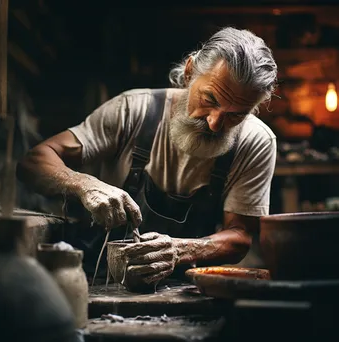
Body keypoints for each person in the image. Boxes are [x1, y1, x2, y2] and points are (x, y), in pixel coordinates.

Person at [17, 27, 278, 285]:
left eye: (236, 115)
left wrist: (179, 250)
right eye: (210, 99)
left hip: (185, 287)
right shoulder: (133, 111)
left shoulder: (256, 141)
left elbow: (240, 237)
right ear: (189, 72)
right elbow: (34, 160)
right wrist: (85, 185)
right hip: (101, 279)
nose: (214, 123)